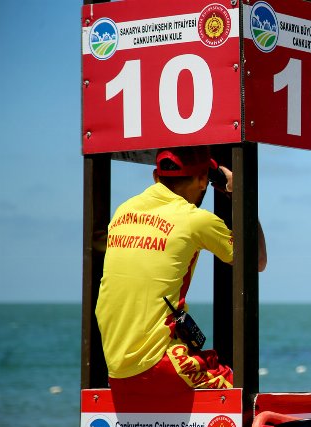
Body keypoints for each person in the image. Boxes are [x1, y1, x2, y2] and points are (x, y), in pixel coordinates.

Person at [95, 146, 267, 394]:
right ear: (201, 180)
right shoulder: (194, 219)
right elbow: (258, 260)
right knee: (241, 391)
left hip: (115, 367)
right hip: (158, 364)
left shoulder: (124, 211)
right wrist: (239, 194)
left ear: (156, 176)